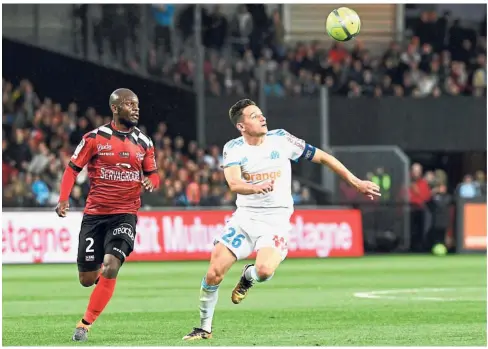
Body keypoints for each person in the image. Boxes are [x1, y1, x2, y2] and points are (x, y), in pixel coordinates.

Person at [182, 99, 380, 341]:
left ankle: (248, 277)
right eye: (254, 116)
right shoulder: (233, 148)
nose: (262, 118)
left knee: (264, 271)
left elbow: (324, 158)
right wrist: (256, 187)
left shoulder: (282, 139)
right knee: (214, 272)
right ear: (241, 126)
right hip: (244, 220)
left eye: (261, 114)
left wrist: (356, 182)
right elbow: (234, 183)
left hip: (275, 221)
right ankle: (204, 328)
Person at [55, 88, 159, 342]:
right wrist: (63, 198)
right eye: (128, 104)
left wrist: (151, 183)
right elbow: (72, 169)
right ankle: (100, 278)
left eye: (136, 104)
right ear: (114, 108)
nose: (135, 108)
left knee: (112, 264)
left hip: (125, 214)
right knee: (86, 279)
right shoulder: (94, 138)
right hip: (95, 215)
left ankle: (85, 323)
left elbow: (153, 174)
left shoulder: (144, 143)